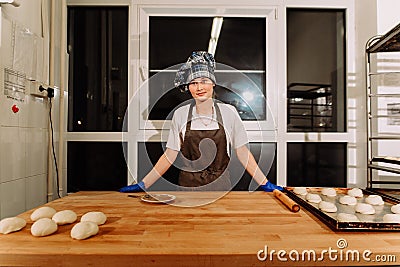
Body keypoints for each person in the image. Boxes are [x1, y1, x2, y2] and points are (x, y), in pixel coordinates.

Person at [120, 51, 282, 192]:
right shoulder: (181, 114)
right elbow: (170, 155)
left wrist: (264, 183)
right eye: (194, 83)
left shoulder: (228, 112)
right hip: (187, 187)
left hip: (220, 187)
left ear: (213, 83)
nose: (199, 87)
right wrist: (144, 184)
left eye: (204, 81)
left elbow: (242, 152)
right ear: (188, 87)